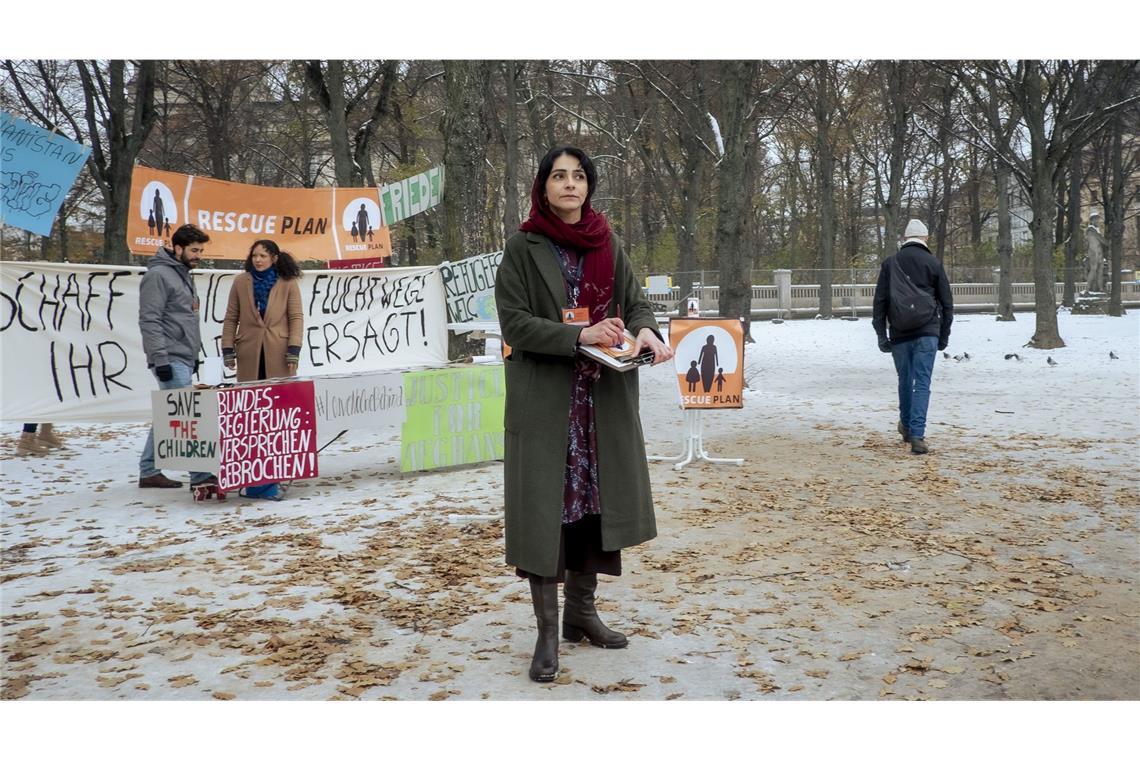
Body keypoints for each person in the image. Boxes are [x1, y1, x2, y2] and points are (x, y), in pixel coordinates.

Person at [494, 145, 674, 683]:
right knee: (545, 514)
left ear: (588, 186)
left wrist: (645, 329)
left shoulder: (608, 242)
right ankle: (548, 632)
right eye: (558, 176)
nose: (569, 185)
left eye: (578, 176)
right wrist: (578, 335)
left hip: (601, 402)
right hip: (549, 402)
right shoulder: (523, 247)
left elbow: (634, 301)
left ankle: (580, 612)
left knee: (592, 511)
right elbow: (515, 325)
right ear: (543, 187)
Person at [221, 239, 304, 500]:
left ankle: (276, 473)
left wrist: (294, 349)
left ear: (275, 258)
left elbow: (296, 318)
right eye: (255, 255)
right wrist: (227, 348)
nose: (258, 260)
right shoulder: (240, 282)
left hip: (279, 354)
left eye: (264, 256)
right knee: (251, 416)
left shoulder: (287, 282)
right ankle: (253, 475)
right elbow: (231, 316)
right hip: (248, 354)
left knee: (277, 416)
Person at [137, 224, 215, 490]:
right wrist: (160, 359)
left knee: (169, 414)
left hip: (183, 355)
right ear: (177, 248)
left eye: (201, 250)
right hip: (169, 357)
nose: (198, 255)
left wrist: (194, 355)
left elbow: (186, 318)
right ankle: (201, 476)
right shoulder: (158, 275)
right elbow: (150, 320)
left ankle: (148, 470)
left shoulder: (182, 274)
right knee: (189, 417)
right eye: (194, 250)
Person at [873, 219, 954, 455]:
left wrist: (881, 334)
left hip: (899, 332)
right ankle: (917, 435)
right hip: (928, 331)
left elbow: (880, 302)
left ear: (905, 238)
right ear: (925, 238)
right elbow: (947, 304)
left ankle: (906, 427)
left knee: (905, 381)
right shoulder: (933, 263)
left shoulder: (890, 263)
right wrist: (943, 335)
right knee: (923, 382)